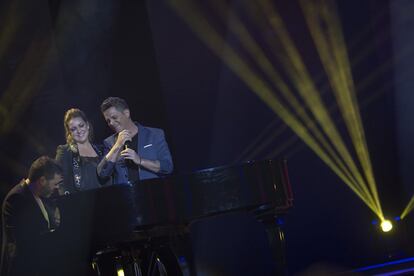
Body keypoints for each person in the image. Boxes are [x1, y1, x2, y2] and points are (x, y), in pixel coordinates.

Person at [1, 156, 63, 276]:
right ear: (42, 180)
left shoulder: (40, 195)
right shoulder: (16, 199)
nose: (57, 188)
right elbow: (24, 241)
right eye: (55, 184)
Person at [97, 97, 173, 184]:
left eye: (114, 117)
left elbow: (167, 167)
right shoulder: (109, 142)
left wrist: (140, 160)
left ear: (126, 113)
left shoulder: (154, 134)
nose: (111, 123)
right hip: (125, 195)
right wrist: (117, 146)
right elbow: (102, 174)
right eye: (108, 121)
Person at [55, 108, 109, 194]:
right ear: (69, 133)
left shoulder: (101, 149)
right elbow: (59, 181)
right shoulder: (65, 151)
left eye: (81, 125)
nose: (79, 131)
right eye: (73, 129)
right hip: (80, 203)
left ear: (87, 125)